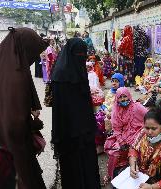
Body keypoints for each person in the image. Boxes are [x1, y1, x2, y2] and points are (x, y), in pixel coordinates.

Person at [0, 27, 48, 189]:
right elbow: (15, 123)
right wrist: (33, 124)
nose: (33, 59)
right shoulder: (17, 77)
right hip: (14, 146)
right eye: (33, 53)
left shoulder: (6, 64)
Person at [51, 38, 101, 189]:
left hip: (84, 130)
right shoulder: (59, 76)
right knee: (73, 168)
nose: (81, 57)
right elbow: (59, 110)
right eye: (78, 54)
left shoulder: (79, 71)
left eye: (83, 55)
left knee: (87, 164)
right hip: (68, 132)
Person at [129, 108, 161, 189]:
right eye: (147, 128)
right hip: (140, 175)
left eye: (154, 128)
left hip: (158, 182)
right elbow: (134, 148)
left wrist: (152, 187)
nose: (149, 132)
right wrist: (133, 165)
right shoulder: (143, 133)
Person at [104, 87, 148, 181]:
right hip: (123, 135)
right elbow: (116, 129)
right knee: (114, 153)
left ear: (129, 96)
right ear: (117, 99)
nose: (123, 99)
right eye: (120, 97)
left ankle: (136, 170)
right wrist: (121, 141)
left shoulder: (137, 107)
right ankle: (110, 175)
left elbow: (149, 116)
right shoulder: (115, 110)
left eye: (125, 96)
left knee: (138, 150)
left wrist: (146, 130)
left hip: (139, 133)